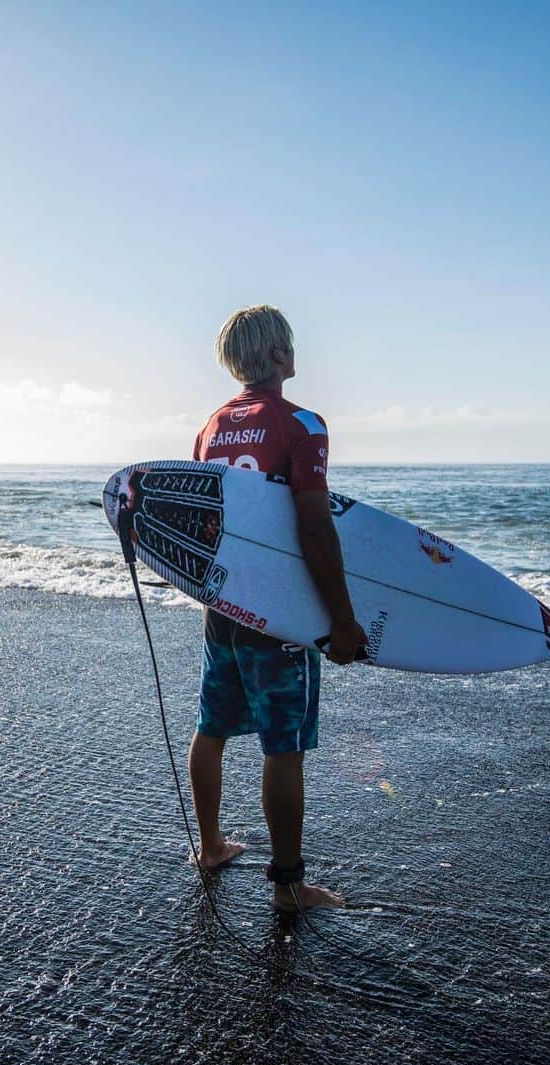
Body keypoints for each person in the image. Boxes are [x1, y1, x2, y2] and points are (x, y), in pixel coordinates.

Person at [190, 304, 366, 912]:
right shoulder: (302, 425)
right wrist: (342, 621)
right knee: (282, 743)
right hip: (279, 611)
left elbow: (202, 521)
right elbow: (315, 528)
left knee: (212, 726)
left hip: (223, 604)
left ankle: (210, 845)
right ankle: (288, 887)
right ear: (279, 356)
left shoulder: (212, 427)